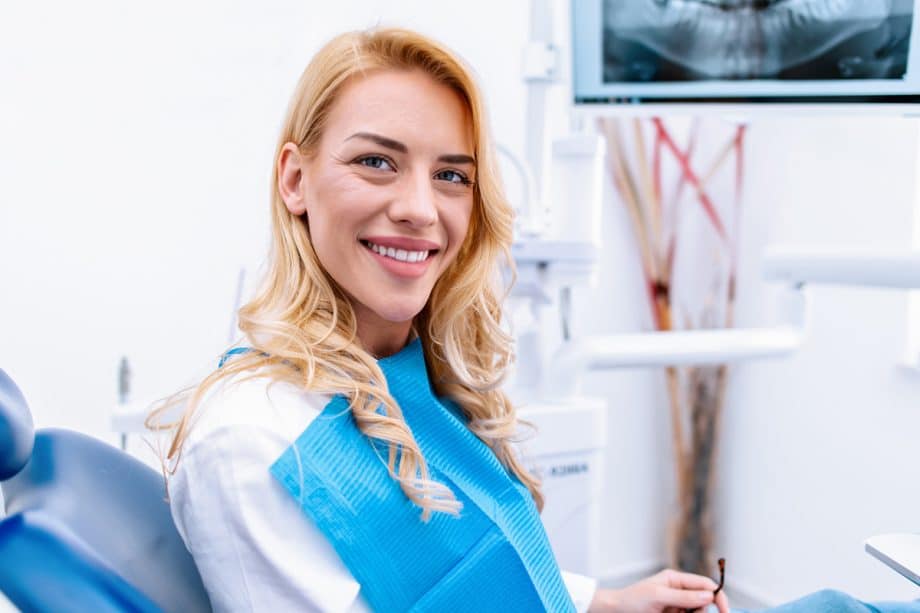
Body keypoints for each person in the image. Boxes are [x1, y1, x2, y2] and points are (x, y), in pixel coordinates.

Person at [149, 27, 917, 613]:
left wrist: (598, 601)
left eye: (451, 175)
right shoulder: (254, 438)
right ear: (295, 179)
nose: (420, 207)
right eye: (377, 161)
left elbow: (463, 573)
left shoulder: (402, 375)